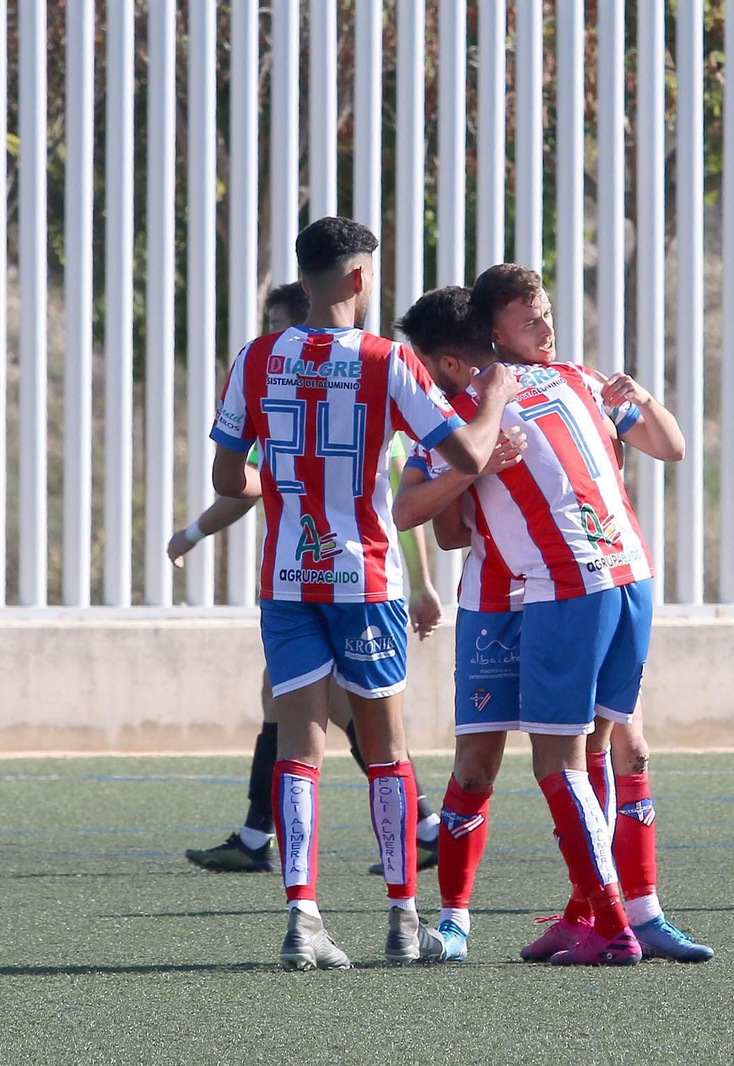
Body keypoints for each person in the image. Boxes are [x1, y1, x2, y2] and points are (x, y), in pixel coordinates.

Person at [209, 216, 517, 970]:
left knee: (299, 751)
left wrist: (277, 481)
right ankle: (403, 919)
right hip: (365, 578)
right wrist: (499, 391)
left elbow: (226, 481)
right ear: (358, 280)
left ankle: (303, 919)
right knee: (387, 754)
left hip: (287, 580)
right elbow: (469, 452)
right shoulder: (387, 362)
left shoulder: (255, 359)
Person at [394, 277, 708, 965]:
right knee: (479, 764)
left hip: (573, 586)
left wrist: (641, 397)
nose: (546, 325)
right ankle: (458, 923)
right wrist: (473, 467)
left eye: (546, 314)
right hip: (499, 602)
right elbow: (440, 528)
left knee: (596, 751)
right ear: (491, 336)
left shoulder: (572, 378)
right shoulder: (458, 415)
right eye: (530, 318)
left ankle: (616, 917)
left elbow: (668, 445)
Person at [178, 280, 444, 876]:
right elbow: (426, 484)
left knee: (327, 726)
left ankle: (401, 838)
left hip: (306, 579)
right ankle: (388, 888)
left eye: (278, 326)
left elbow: (403, 508)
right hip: (353, 580)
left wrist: (424, 584)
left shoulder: (268, 368)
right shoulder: (379, 373)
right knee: (316, 715)